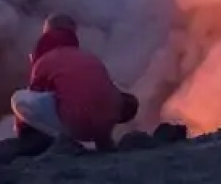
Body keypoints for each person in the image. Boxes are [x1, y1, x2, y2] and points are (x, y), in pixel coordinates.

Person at [11, 14, 138, 150]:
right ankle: (99, 141)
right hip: (102, 128)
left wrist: (22, 133)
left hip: (76, 125)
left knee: (19, 98)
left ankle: (46, 141)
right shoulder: (88, 56)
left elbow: (35, 92)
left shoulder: (46, 59)